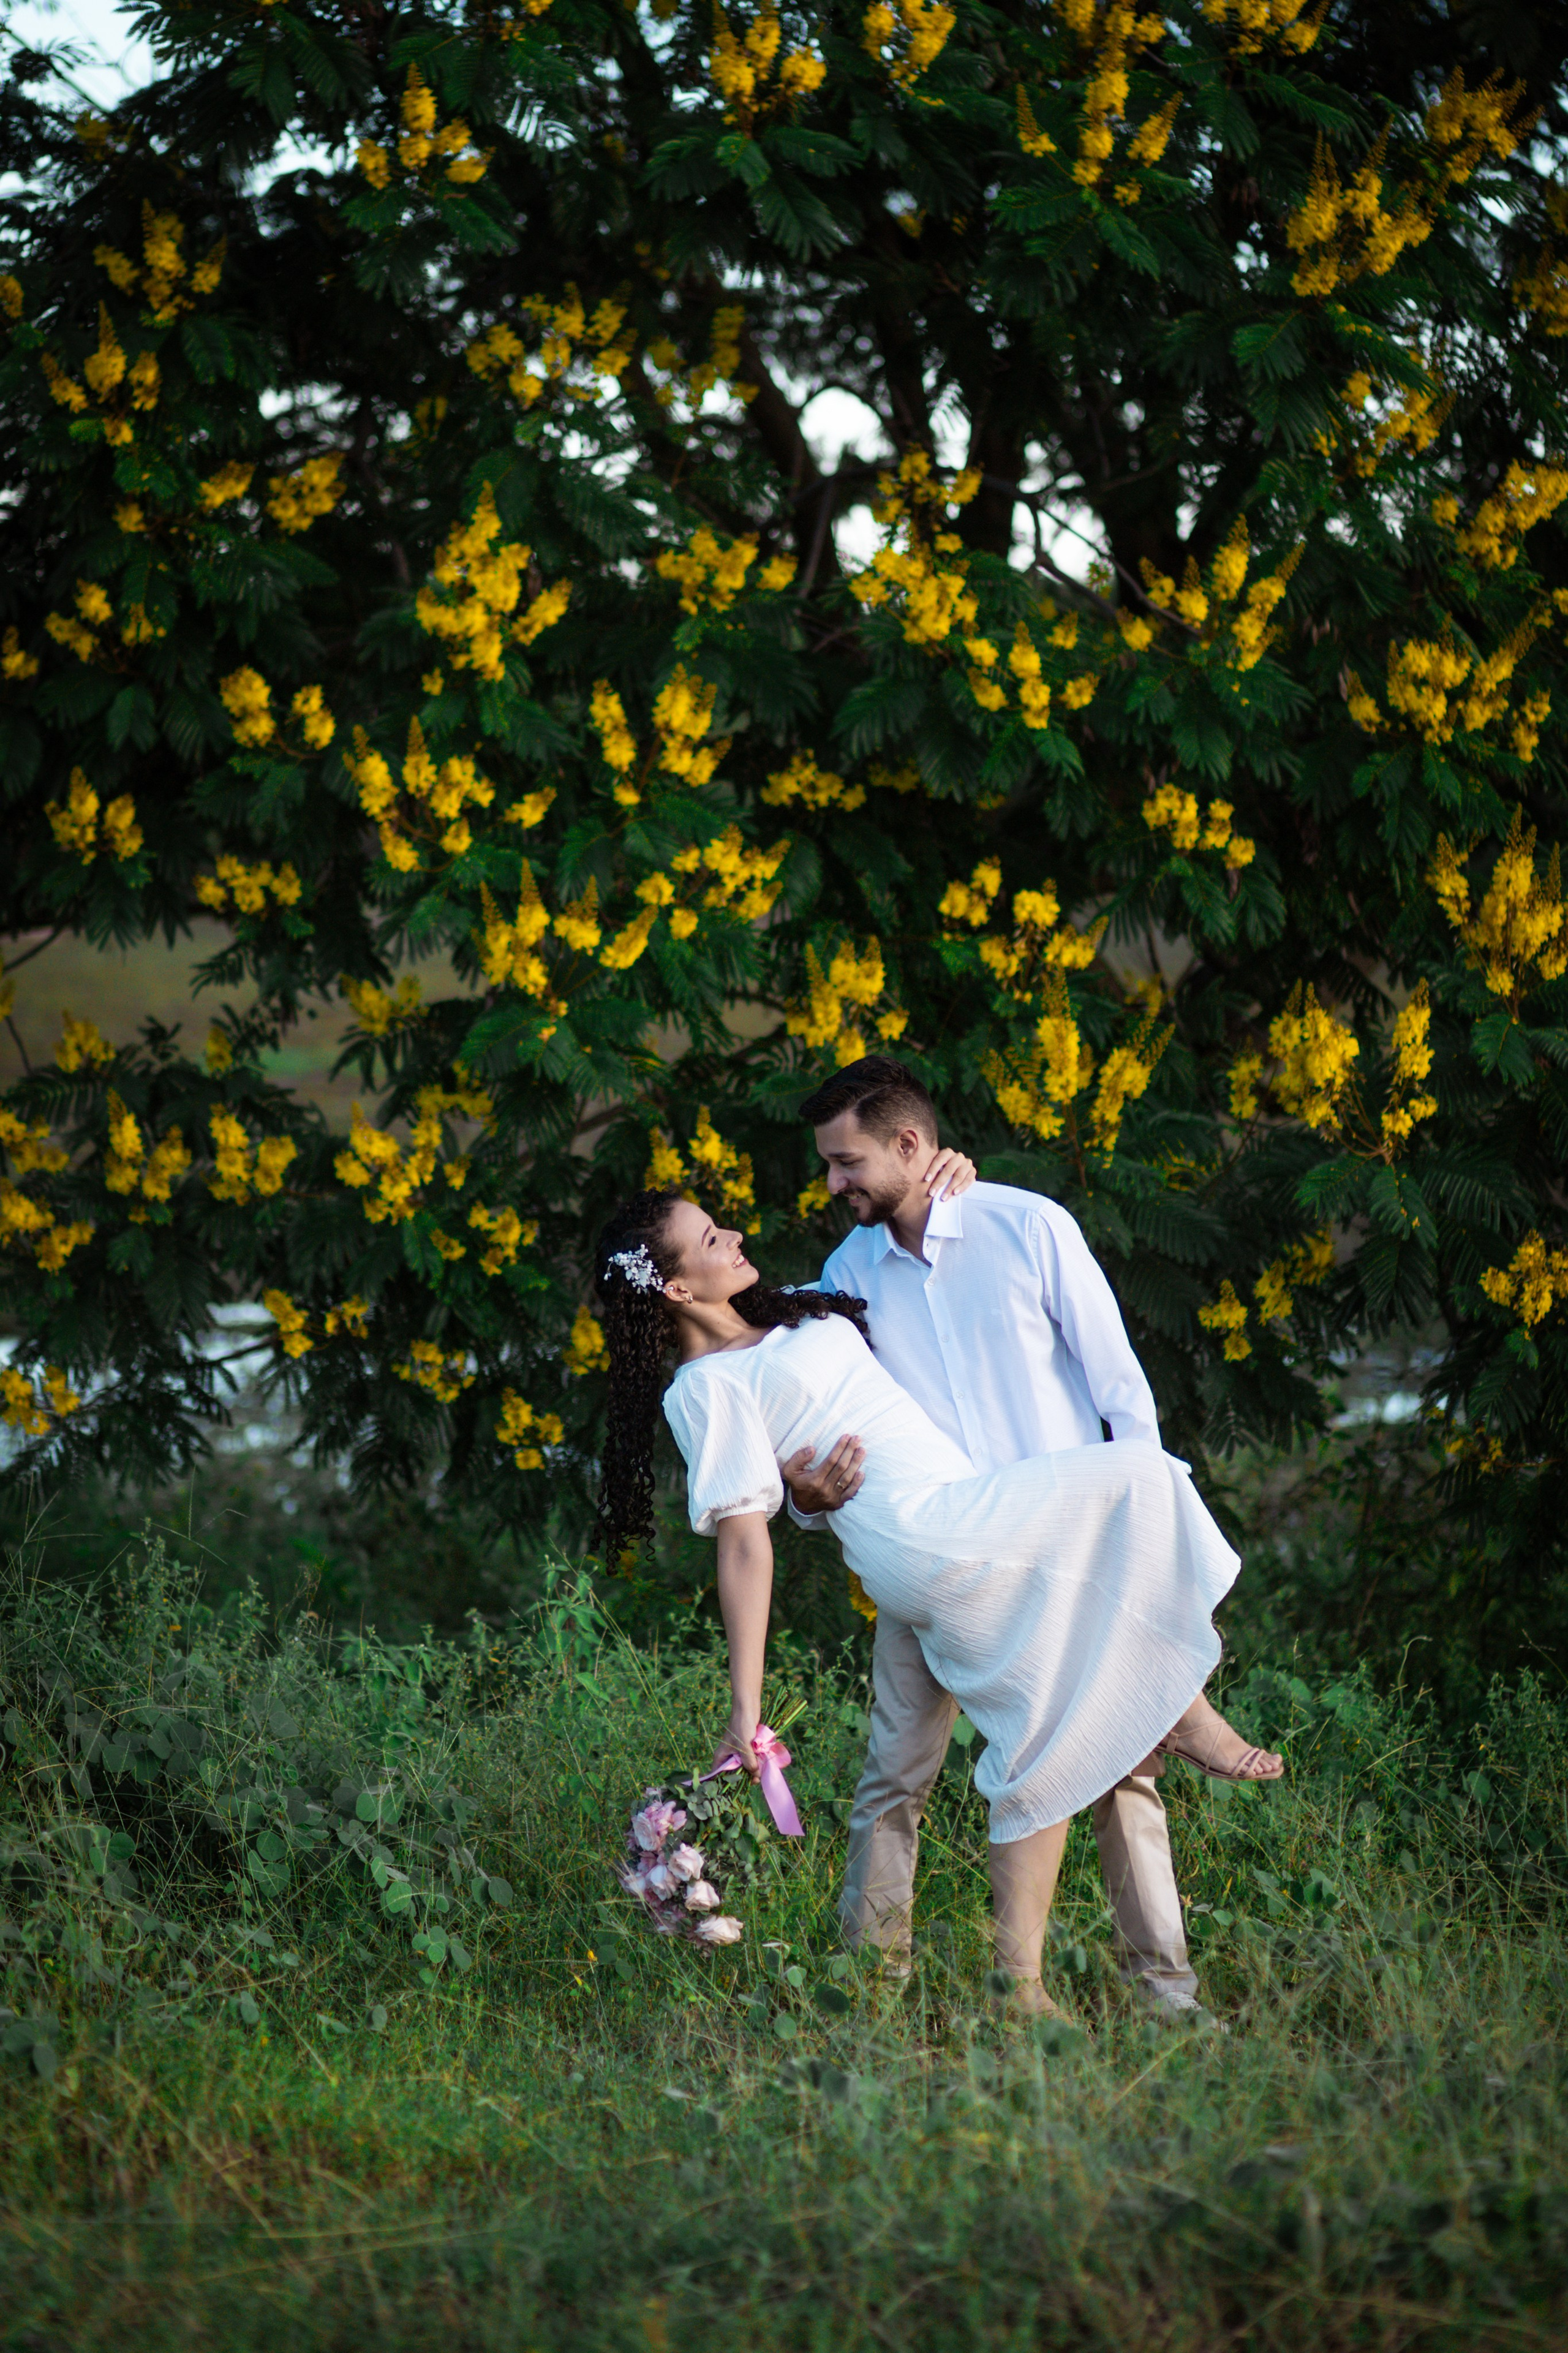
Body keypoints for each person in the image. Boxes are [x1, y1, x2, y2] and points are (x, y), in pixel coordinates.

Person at [592, 1185, 1281, 2019]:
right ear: (674, 1288)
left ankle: (1018, 1988)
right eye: (710, 1236)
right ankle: (1186, 1711)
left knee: (1046, 1727)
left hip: (967, 1508)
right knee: (1142, 1476)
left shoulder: (802, 1303)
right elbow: (745, 1538)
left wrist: (951, 1177)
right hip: (922, 1534)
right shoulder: (703, 1388)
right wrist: (747, 1702)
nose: (735, 1233)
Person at [780, 1055, 1240, 2017]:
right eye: (829, 1164)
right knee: (894, 1777)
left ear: (911, 1145)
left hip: (1064, 1558)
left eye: (847, 1160)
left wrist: (1137, 1559)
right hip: (939, 1557)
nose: (833, 1185)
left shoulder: (1027, 1226)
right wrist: (809, 1499)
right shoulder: (844, 1276)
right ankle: (870, 1994)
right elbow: (823, 1438)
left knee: (1119, 1770)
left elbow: (1124, 1400)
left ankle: (1164, 1994)